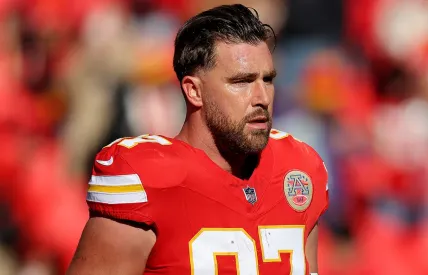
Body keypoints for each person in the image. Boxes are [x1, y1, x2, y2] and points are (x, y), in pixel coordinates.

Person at [67, 4, 329, 275]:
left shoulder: (298, 168)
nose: (262, 97)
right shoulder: (148, 179)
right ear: (194, 91)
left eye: (268, 79)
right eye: (242, 81)